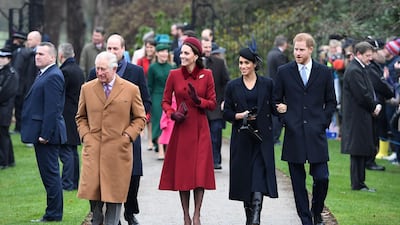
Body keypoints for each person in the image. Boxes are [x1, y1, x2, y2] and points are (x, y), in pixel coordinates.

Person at [87, 34, 151, 225]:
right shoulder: (95, 72)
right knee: (100, 177)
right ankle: (106, 216)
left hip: (127, 135)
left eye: (116, 48)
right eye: (109, 48)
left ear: (123, 49)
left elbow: (145, 102)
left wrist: (131, 127)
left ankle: (129, 212)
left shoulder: (135, 72)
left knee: (132, 176)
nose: (112, 51)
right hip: (103, 137)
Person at [274, 33, 337, 225]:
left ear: (310, 49)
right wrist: (285, 117)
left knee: (322, 178)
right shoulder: (284, 71)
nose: (297, 53)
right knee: (298, 183)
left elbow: (331, 102)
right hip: (293, 134)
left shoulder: (324, 72)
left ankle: (316, 211)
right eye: (295, 49)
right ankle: (305, 220)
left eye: (301, 49)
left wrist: (322, 123)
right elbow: (275, 100)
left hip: (316, 133)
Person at [159, 37, 216, 225]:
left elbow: (213, 103)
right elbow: (165, 100)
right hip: (182, 128)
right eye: (181, 52)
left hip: (200, 128)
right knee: (184, 174)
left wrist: (198, 100)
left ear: (195, 55)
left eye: (185, 53)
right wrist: (171, 113)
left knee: (199, 174)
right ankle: (186, 215)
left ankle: (197, 214)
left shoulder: (207, 74)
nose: (181, 56)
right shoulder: (174, 74)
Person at [223, 43, 278, 225]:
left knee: (258, 178)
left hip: (262, 138)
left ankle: (255, 219)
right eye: (240, 63)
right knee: (245, 180)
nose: (243, 66)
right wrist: (240, 115)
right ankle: (249, 217)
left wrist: (282, 108)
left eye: (246, 63)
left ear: (255, 64)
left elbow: (274, 107)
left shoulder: (267, 84)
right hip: (242, 138)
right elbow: (227, 113)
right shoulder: (232, 86)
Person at [20, 42, 67, 222]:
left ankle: (54, 214)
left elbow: (53, 109)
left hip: (47, 136)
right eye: (36, 54)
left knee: (51, 175)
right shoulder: (44, 74)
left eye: (41, 54)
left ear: (52, 57)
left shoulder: (53, 75)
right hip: (42, 134)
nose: (37, 56)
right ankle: (52, 212)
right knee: (48, 175)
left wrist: (45, 135)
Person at [341, 41, 381, 192]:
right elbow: (362, 94)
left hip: (360, 115)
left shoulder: (358, 68)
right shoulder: (354, 70)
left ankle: (360, 182)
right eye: (367, 55)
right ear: (359, 54)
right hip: (357, 116)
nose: (370, 58)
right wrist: (374, 106)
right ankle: (358, 184)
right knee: (357, 151)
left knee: (361, 149)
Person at [58, 43, 85, 190]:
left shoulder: (65, 71)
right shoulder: (78, 70)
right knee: (73, 150)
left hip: (66, 114)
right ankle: (74, 182)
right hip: (75, 111)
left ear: (61, 56)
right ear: (73, 54)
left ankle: (67, 183)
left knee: (66, 150)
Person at [201, 38, 230, 169]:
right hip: (200, 106)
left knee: (216, 133)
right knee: (202, 136)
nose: (207, 49)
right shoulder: (195, 63)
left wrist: (225, 100)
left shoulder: (219, 63)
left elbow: (226, 82)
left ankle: (216, 160)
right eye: (205, 47)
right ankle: (203, 160)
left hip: (216, 105)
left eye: (209, 47)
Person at [147, 43, 174, 159]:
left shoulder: (172, 67)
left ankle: (168, 148)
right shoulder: (152, 68)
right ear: (157, 53)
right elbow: (149, 85)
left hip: (169, 97)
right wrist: (149, 101)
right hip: (157, 96)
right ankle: (160, 149)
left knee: (169, 122)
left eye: (166, 51)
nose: (164, 54)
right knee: (158, 122)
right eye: (161, 51)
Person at [12, 30, 41, 134]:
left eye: (30, 39)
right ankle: (19, 128)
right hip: (24, 84)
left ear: (38, 40)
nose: (27, 42)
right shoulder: (25, 52)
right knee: (20, 107)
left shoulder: (40, 54)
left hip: (34, 85)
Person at [266, 35, 289, 145]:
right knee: (278, 111)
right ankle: (275, 137)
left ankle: (273, 136)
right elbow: (284, 72)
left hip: (271, 85)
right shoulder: (279, 56)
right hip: (278, 87)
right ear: (284, 44)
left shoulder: (271, 53)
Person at [0, 47, 19, 169]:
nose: (0, 60)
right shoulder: (3, 72)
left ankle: (3, 161)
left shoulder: (11, 73)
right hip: (3, 108)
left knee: (3, 135)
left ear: (9, 59)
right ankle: (10, 159)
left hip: (5, 109)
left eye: (2, 58)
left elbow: (6, 92)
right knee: (4, 134)